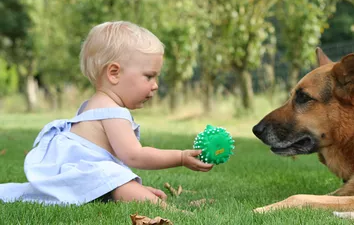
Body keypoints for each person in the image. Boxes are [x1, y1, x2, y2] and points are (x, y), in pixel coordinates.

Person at [0, 21, 213, 207]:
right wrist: (182, 157)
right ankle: (168, 210)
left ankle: (133, 192)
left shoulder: (90, 105)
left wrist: (131, 185)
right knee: (118, 181)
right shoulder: (113, 112)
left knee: (119, 181)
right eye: (149, 77)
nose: (155, 86)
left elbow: (111, 164)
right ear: (114, 73)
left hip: (77, 176)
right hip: (84, 175)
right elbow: (134, 155)